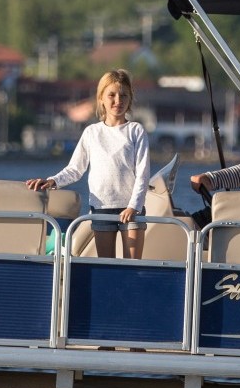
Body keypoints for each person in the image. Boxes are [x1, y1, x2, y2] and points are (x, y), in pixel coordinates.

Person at [27, 69, 151, 258]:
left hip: (132, 209)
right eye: (112, 95)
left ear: (130, 98)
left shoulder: (136, 130)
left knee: (133, 266)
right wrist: (52, 181)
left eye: (123, 95)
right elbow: (75, 169)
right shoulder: (92, 132)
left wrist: (134, 206)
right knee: (106, 266)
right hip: (102, 207)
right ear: (101, 98)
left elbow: (143, 173)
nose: (118, 100)